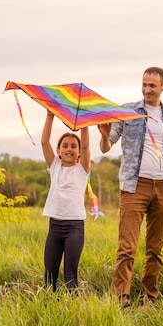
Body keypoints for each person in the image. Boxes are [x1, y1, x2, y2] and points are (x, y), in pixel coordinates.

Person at [98, 66, 163, 307]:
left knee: (156, 247)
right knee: (127, 246)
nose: (147, 89)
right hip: (134, 185)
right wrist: (105, 135)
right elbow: (106, 147)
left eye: (152, 85)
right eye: (144, 84)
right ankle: (122, 300)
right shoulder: (126, 111)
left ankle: (150, 296)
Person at [40, 110, 91, 291]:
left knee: (70, 274)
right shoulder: (54, 166)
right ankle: (49, 308)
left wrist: (84, 123)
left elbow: (86, 147)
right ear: (59, 151)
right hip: (54, 227)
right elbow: (44, 142)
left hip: (74, 228)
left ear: (78, 153)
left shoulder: (82, 169)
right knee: (49, 273)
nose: (69, 149)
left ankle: (72, 310)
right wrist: (50, 115)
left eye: (73, 146)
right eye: (65, 146)